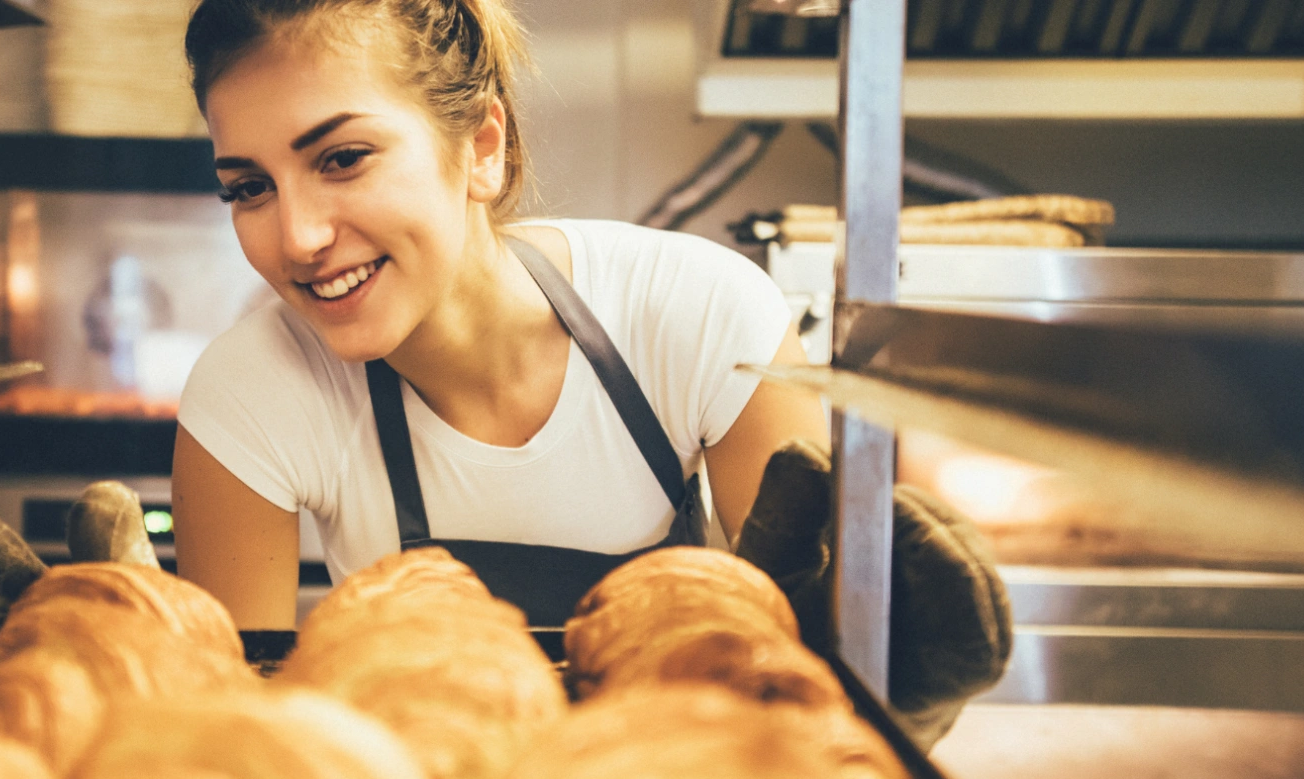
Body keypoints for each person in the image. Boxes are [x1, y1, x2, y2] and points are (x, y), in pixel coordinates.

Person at [170, 0, 827, 631]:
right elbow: (230, 714)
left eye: (343, 159)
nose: (298, 239)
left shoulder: (701, 313)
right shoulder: (252, 391)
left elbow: (802, 679)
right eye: (249, 188)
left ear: (482, 149)